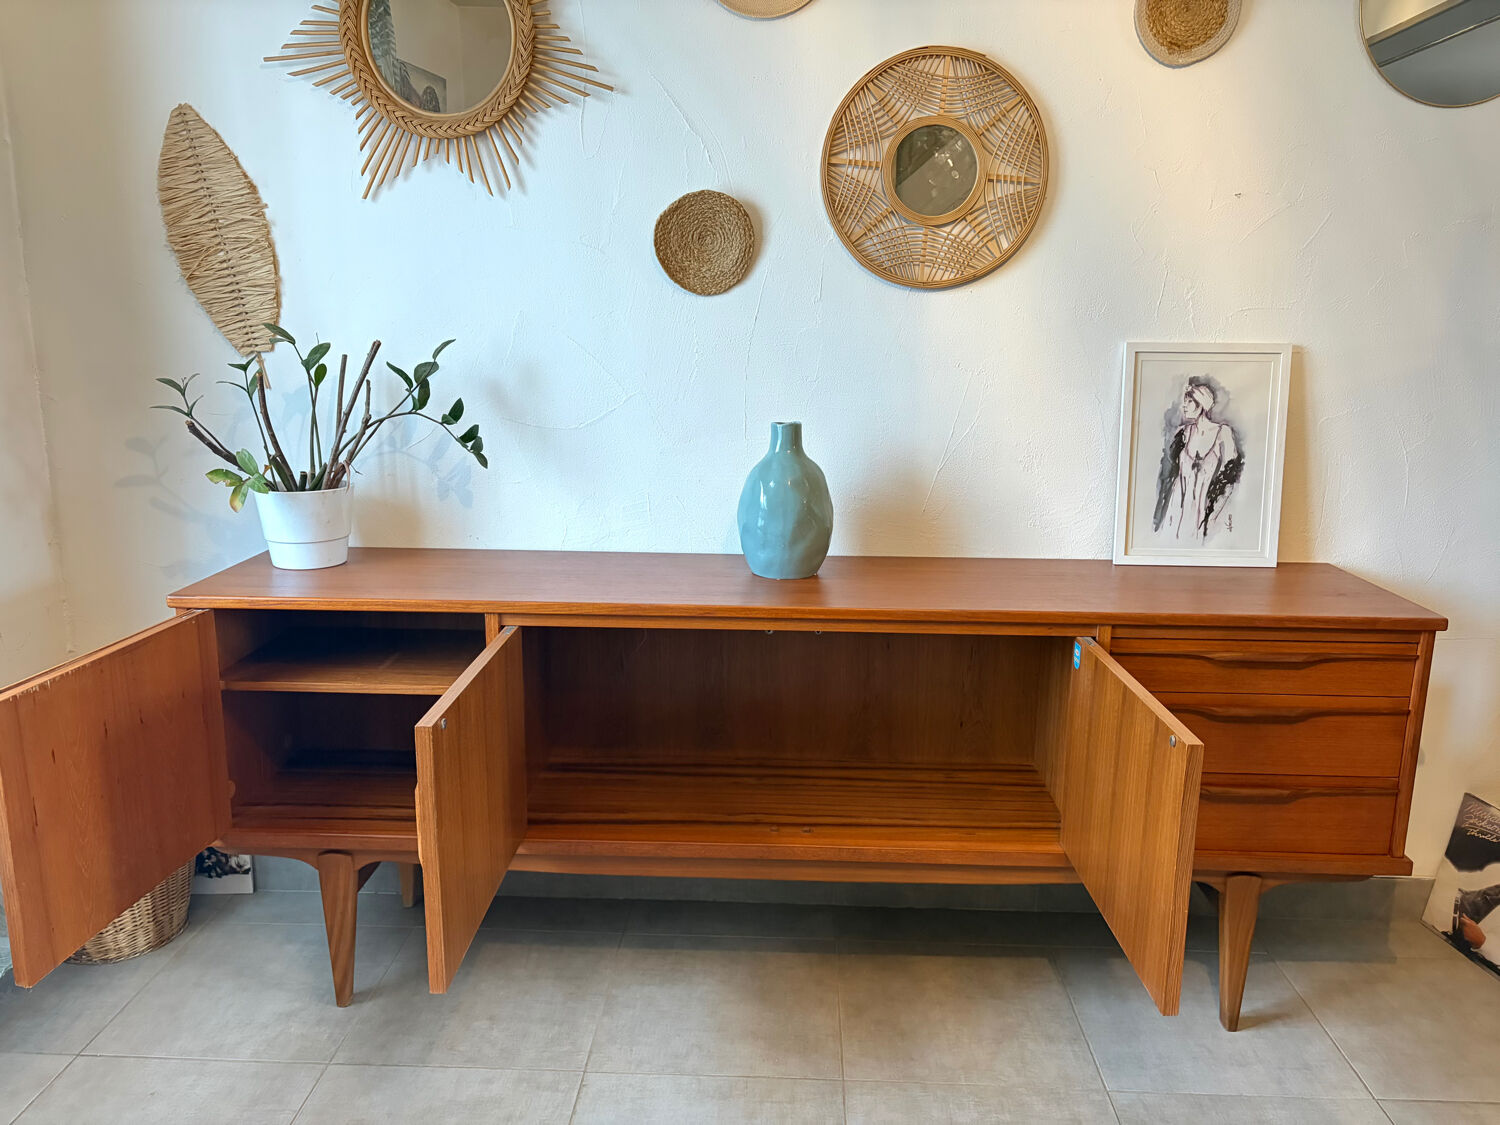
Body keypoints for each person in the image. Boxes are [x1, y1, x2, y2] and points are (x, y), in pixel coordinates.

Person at [1153, 377, 1244, 541]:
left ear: (1201, 404)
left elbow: (1230, 478)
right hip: (1177, 507)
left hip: (1205, 509)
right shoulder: (1183, 433)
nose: (1184, 406)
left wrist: (1214, 514)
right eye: (1184, 401)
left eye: (1189, 401)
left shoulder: (1222, 433)